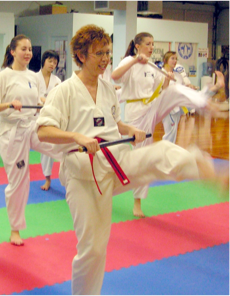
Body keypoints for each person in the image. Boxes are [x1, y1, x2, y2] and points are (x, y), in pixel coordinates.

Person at [36, 24, 223, 295]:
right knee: (93, 250)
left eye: (108, 53)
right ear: (81, 54)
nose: (104, 59)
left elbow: (114, 122)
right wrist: (76, 137)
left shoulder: (108, 89)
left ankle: (205, 168)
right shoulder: (64, 91)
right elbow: (43, 130)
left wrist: (128, 130)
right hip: (83, 177)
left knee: (159, 152)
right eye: (98, 53)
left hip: (116, 162)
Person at [111, 32, 224, 218]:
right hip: (136, 112)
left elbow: (162, 90)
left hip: (151, 106)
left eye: (153, 44)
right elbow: (115, 77)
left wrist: (166, 79)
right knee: (143, 159)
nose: (151, 47)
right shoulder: (129, 61)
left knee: (175, 90)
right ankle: (137, 202)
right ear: (137, 46)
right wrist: (134, 61)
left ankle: (206, 100)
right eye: (148, 44)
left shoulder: (151, 66)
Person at [0, 34, 59, 246]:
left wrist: (47, 102)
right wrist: (9, 104)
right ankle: (15, 229)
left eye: (29, 49)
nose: (28, 53)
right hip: (12, 132)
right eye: (23, 49)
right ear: (12, 51)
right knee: (19, 182)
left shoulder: (33, 76)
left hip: (31, 125)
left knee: (62, 146)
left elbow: (37, 100)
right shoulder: (3, 76)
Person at [36, 50, 61, 190]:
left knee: (47, 148)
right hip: (33, 116)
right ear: (44, 61)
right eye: (50, 61)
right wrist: (42, 100)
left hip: (49, 117)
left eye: (55, 62)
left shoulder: (57, 81)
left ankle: (47, 178)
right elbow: (32, 95)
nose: (53, 64)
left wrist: (48, 101)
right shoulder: (34, 77)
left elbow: (59, 98)